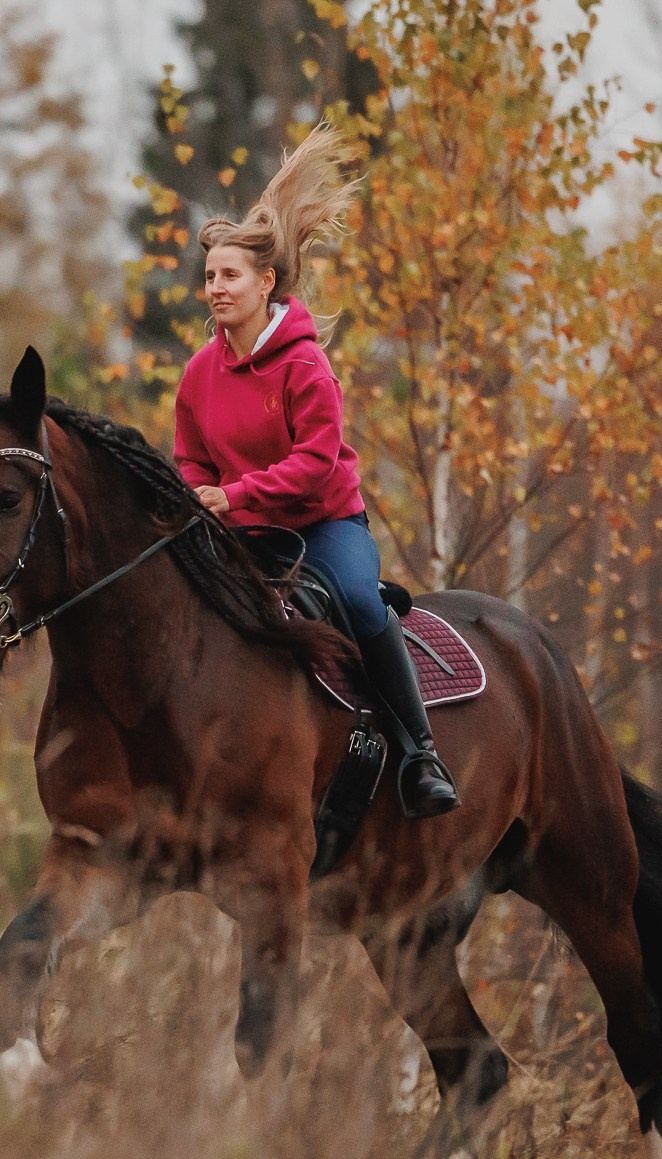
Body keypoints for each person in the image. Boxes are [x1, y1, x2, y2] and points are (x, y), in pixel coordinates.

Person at [172, 126, 458, 819]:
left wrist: (233, 493)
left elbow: (314, 463)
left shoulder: (305, 364)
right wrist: (197, 495)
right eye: (210, 277)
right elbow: (191, 455)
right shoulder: (200, 371)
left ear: (265, 282)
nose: (216, 288)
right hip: (241, 529)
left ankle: (420, 753)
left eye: (230, 276)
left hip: (323, 524)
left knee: (358, 600)